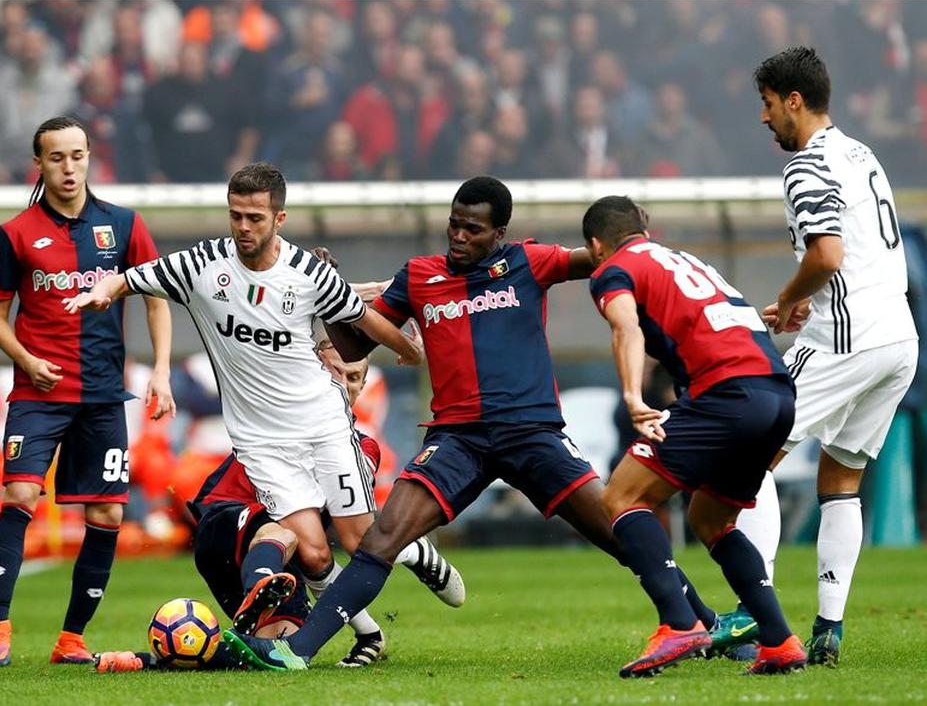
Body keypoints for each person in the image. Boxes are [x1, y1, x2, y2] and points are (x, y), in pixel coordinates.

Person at [220, 176, 716, 671]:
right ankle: (295, 651)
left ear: (499, 232)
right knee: (382, 537)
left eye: (473, 230)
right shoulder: (419, 275)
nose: (459, 236)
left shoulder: (529, 261)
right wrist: (323, 293)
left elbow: (603, 256)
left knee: (621, 532)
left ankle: (707, 626)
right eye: (454, 225)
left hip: (532, 435)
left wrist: (635, 240)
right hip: (459, 439)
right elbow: (352, 347)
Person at [68, 162, 460, 666]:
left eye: (255, 217)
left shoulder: (307, 273)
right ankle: (369, 636)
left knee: (360, 538)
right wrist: (105, 289)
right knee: (315, 554)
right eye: (236, 216)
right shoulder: (203, 265)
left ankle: (414, 552)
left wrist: (410, 352)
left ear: (280, 217)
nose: (243, 227)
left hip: (322, 424)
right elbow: (134, 277)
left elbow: (361, 316)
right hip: (261, 443)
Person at [713, 46, 919, 668]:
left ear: (793, 101)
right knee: (841, 479)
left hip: (845, 340)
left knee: (748, 462)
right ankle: (829, 627)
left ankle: (757, 613)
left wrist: (788, 296)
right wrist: (806, 300)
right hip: (899, 339)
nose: (764, 118)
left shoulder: (805, 166)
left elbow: (827, 255)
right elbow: (850, 252)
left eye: (768, 104)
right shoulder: (862, 153)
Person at [95, 346, 446, 672]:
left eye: (353, 377)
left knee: (270, 649)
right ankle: (262, 584)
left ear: (363, 385)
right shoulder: (277, 415)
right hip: (229, 517)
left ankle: (151, 659)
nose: (342, 384)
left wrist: (367, 631)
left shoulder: (363, 448)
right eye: (333, 373)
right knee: (287, 529)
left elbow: (319, 560)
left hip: (287, 554)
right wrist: (411, 551)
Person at [581, 195, 806, 677]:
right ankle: (779, 640)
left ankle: (679, 623)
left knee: (620, 497)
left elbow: (626, 329)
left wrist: (632, 396)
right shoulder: (686, 259)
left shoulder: (614, 269)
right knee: (710, 518)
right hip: (776, 394)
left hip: (725, 394)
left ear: (596, 245)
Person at [0, 116, 176, 667]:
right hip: (38, 395)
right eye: (56, 158)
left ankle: (71, 639)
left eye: (77, 156)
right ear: (38, 165)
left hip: (103, 397)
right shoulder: (16, 233)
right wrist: (25, 359)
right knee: (20, 496)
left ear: (90, 157)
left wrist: (160, 370)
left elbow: (155, 297)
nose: (69, 168)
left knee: (109, 517)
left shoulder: (124, 224)